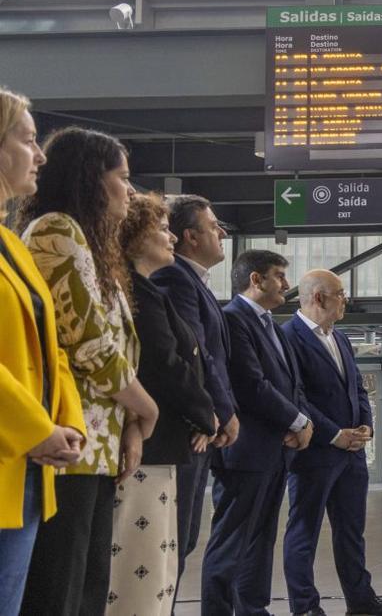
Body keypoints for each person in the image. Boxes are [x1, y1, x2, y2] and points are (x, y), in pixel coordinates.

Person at [17, 126, 159, 615]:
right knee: (60, 586)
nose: (130, 191)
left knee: (90, 583)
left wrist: (131, 429)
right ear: (90, 180)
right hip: (67, 439)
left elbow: (118, 341)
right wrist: (146, 407)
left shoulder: (98, 250)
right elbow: (89, 342)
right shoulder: (57, 229)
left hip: (99, 441)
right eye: (122, 178)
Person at [108, 193, 217, 614]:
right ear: (135, 237)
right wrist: (206, 413)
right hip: (148, 446)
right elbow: (166, 363)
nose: (170, 236)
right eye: (162, 229)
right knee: (144, 561)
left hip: (166, 442)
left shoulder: (146, 290)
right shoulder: (139, 292)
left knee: (165, 556)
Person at [0, 88, 87, 616]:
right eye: (29, 140)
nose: (41, 155)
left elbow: (49, 347)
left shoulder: (11, 244)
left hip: (26, 467)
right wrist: (38, 430)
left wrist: (66, 424)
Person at [281, 270, 382, 616]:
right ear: (319, 297)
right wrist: (335, 435)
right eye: (340, 293)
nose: (345, 300)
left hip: (351, 456)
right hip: (314, 455)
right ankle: (305, 607)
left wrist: (364, 426)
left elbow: (358, 389)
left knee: (351, 532)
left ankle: (361, 600)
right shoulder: (288, 337)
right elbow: (297, 398)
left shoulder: (341, 338)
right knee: (303, 532)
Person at [202, 249, 312, 615]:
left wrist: (300, 424)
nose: (285, 284)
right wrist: (297, 421)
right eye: (279, 275)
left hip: (273, 451)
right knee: (231, 541)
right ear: (255, 280)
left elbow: (290, 385)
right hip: (244, 452)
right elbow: (252, 385)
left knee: (260, 539)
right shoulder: (234, 320)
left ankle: (252, 608)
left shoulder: (269, 324)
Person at [151, 194, 239, 595]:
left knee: (182, 541)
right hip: (186, 429)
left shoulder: (196, 282)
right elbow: (194, 355)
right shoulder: (174, 279)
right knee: (170, 544)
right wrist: (214, 412)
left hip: (201, 428)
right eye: (213, 226)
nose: (222, 234)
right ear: (189, 236)